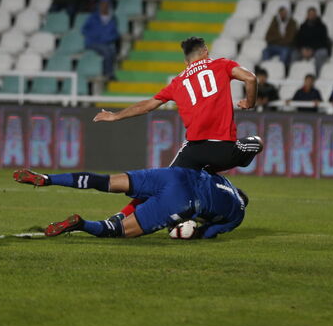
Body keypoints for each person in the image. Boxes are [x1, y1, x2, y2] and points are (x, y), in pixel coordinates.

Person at [93, 37, 261, 220]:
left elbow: (148, 105)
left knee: (161, 184)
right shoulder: (221, 65)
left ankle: (119, 217)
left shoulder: (178, 82)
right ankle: (207, 191)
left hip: (193, 150)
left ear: (185, 61)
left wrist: (115, 115)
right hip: (223, 149)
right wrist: (249, 103)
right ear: (205, 51)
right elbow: (250, 78)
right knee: (256, 142)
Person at [12, 165, 248, 239]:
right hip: (183, 201)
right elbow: (207, 233)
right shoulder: (237, 215)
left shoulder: (225, 180)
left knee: (105, 181)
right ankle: (81, 224)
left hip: (174, 175)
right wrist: (188, 232)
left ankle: (47, 178)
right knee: (119, 231)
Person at [82, 0, 119, 78]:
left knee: (112, 51)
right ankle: (108, 73)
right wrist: (93, 35)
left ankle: (108, 70)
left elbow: (115, 34)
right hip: (92, 42)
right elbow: (84, 30)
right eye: (102, 5)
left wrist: (108, 38)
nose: (104, 6)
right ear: (99, 6)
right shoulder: (92, 17)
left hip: (106, 43)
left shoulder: (112, 19)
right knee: (107, 51)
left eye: (106, 5)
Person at [294, 7, 331, 73]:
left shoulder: (322, 27)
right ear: (307, 15)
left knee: (320, 54)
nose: (311, 16)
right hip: (305, 49)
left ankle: (317, 75)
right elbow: (298, 40)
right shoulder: (303, 26)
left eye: (313, 14)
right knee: (294, 54)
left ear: (316, 15)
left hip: (318, 49)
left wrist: (313, 50)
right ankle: (295, 73)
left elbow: (323, 41)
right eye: (310, 14)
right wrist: (302, 49)